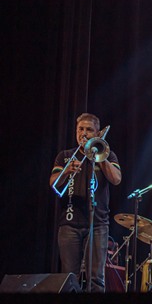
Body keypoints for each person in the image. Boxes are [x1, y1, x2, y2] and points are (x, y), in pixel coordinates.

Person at [49, 113, 122, 292]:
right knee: (69, 278)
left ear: (97, 134)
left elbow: (116, 179)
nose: (83, 133)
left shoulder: (108, 154)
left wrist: (100, 157)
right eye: (80, 129)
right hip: (69, 224)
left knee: (96, 279)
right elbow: (53, 184)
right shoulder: (65, 156)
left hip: (97, 225)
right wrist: (66, 172)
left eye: (89, 130)